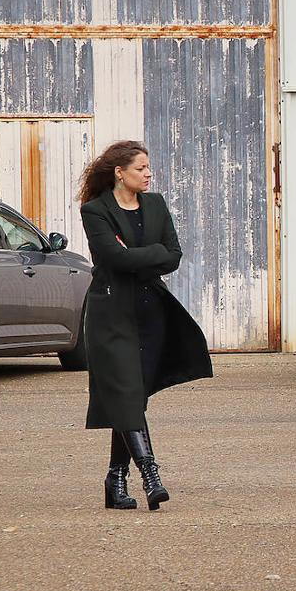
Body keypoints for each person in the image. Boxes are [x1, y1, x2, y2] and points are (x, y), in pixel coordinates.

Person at [76, 141, 213, 511]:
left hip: (150, 311)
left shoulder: (156, 205)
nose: (148, 173)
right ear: (120, 173)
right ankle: (151, 474)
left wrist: (137, 257)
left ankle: (115, 479)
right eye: (140, 168)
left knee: (132, 396)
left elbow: (174, 255)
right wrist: (148, 256)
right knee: (125, 391)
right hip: (111, 314)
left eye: (149, 167)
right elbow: (114, 259)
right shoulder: (95, 211)